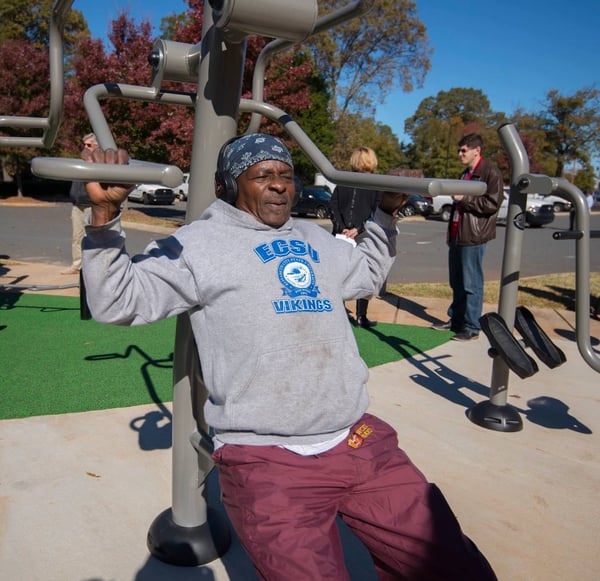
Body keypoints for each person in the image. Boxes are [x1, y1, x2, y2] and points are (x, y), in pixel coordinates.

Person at [81, 133, 497, 580]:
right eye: (262, 175)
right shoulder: (197, 244)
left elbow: (367, 275)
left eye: (285, 175)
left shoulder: (315, 240)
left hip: (356, 441)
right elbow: (118, 301)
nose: (279, 184)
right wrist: (105, 218)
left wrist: (384, 214)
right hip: (267, 459)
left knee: (459, 567)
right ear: (230, 184)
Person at [432, 133, 503, 341]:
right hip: (457, 235)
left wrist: (465, 199)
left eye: (464, 150)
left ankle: (472, 327)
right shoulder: (465, 174)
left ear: (476, 151)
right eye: (459, 150)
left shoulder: (490, 173)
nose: (460, 154)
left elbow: (492, 204)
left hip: (474, 236)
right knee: (456, 281)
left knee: (471, 283)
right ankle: (456, 320)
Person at [330, 146, 381, 328]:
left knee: (340, 274)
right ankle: (361, 316)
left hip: (340, 234)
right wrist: (358, 229)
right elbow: (376, 211)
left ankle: (340, 313)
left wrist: (341, 227)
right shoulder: (376, 184)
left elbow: (333, 205)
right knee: (363, 273)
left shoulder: (343, 181)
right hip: (363, 236)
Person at [60, 133, 98, 275]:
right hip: (77, 204)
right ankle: (77, 264)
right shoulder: (81, 162)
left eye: (89, 145)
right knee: (77, 236)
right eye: (84, 144)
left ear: (97, 147)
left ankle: (91, 267)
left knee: (92, 237)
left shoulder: (101, 164)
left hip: (92, 205)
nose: (85, 147)